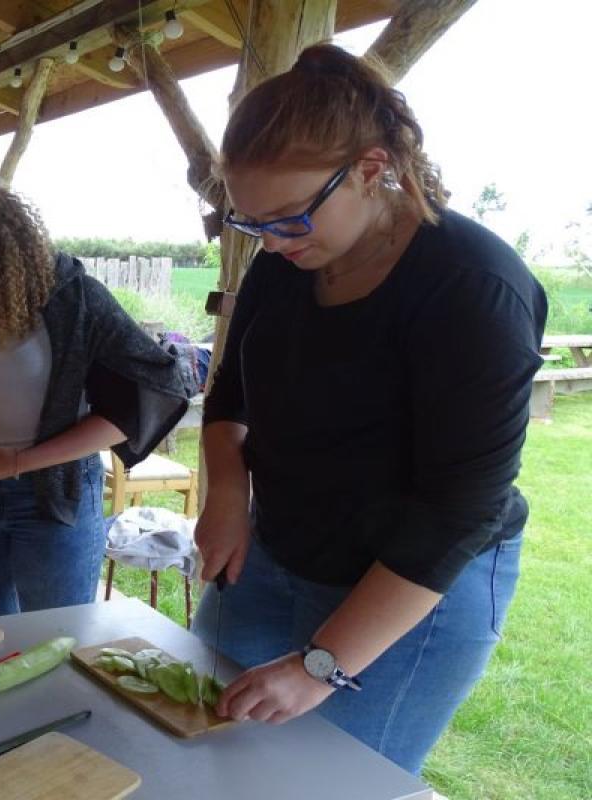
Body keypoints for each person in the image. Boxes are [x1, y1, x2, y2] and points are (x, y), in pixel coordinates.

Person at [191, 44, 547, 775]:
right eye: (251, 222)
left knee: (328, 784)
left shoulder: (473, 289)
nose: (272, 241)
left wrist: (322, 664)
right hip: (279, 549)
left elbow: (459, 509)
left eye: (289, 217)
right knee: (206, 747)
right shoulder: (284, 263)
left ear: (372, 169)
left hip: (413, 584)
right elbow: (231, 393)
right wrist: (228, 490)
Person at [0, 184, 188, 619]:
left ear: (8, 259)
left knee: (55, 638)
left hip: (56, 498)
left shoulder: (74, 300)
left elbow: (150, 392)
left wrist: (15, 463)